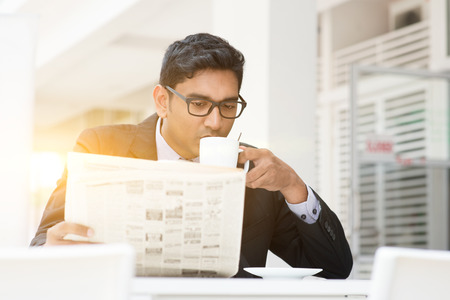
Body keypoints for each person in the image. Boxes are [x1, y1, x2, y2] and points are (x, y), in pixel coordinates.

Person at [31, 33, 353, 278]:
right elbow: (42, 245)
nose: (216, 122)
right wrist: (50, 252)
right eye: (198, 104)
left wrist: (294, 188)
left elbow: (334, 269)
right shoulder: (101, 146)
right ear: (162, 101)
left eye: (228, 106)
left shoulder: (254, 172)